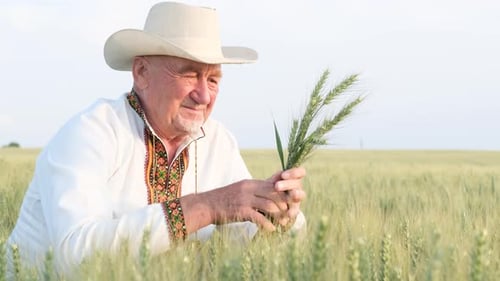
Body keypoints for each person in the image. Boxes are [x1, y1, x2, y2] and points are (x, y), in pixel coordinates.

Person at [6, 1, 306, 278]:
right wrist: (207, 207)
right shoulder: (92, 132)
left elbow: (239, 249)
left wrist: (277, 217)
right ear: (141, 72)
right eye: (189, 75)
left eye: (213, 79)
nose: (203, 95)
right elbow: (75, 258)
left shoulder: (218, 142)